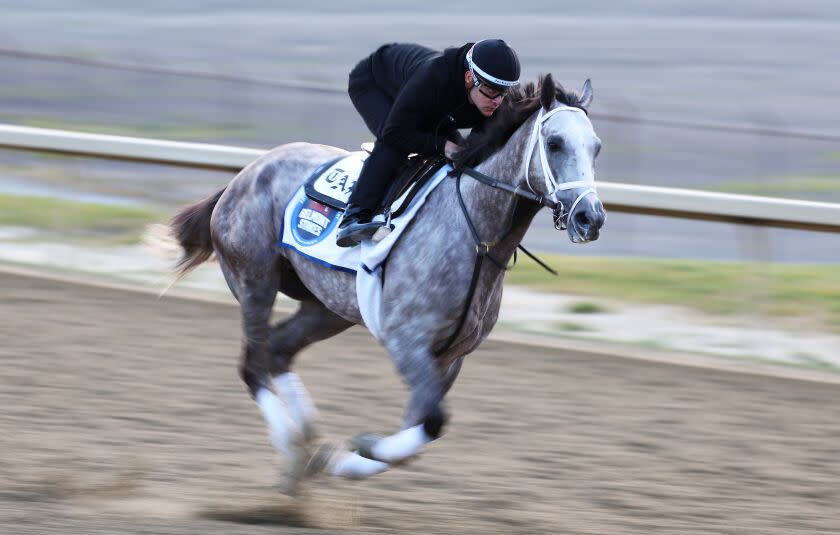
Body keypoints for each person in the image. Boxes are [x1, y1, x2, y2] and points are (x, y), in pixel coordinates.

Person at [336, 39, 521, 247]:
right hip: (376, 84)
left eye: (503, 93)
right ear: (470, 78)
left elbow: (473, 152)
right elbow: (395, 132)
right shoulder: (433, 78)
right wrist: (442, 146)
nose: (498, 101)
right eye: (492, 93)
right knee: (395, 145)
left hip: (431, 107)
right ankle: (355, 215)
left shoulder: (498, 95)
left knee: (458, 157)